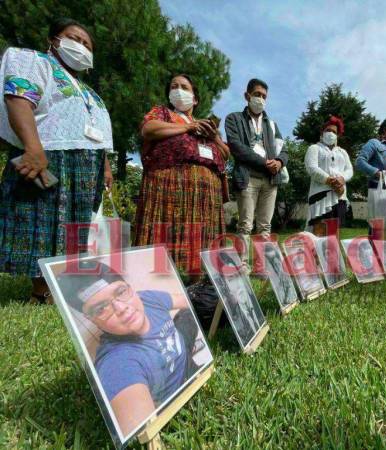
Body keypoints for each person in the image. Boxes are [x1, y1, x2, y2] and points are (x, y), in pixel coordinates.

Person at [0, 18, 113, 303]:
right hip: (48, 153)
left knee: (75, 227)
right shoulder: (33, 61)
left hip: (87, 163)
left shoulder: (89, 92)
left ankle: (66, 284)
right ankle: (42, 291)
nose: (82, 46)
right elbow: (19, 99)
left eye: (87, 44)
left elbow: (98, 132)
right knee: (45, 222)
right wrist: (32, 147)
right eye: (75, 38)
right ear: (54, 40)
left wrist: (106, 166)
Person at [57, 262, 198, 437]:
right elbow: (142, 431)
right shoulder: (117, 362)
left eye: (121, 292)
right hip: (182, 391)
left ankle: (185, 349)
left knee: (188, 314)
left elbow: (185, 300)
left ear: (129, 288)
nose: (122, 309)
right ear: (91, 319)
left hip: (183, 352)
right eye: (101, 308)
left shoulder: (147, 298)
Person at [134, 74, 229, 279]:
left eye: (184, 87)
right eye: (174, 86)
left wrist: (213, 137)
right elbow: (148, 129)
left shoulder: (205, 125)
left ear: (195, 99)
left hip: (205, 193)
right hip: (169, 183)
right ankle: (160, 277)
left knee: (200, 234)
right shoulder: (162, 113)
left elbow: (225, 154)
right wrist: (187, 127)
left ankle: (200, 277)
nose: (178, 90)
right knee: (170, 229)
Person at [225, 78, 288, 259]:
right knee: (245, 224)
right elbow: (237, 147)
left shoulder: (271, 124)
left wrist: (279, 162)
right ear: (247, 96)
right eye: (257, 94)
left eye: (264, 96)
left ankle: (263, 266)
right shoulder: (234, 119)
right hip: (247, 178)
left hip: (270, 180)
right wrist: (264, 162)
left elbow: (283, 150)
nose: (260, 99)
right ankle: (242, 265)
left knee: (265, 225)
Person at [356, 117, 386, 240]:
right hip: (381, 186)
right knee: (378, 225)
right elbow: (360, 161)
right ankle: (374, 256)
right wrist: (375, 172)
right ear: (385, 129)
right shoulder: (374, 143)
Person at [304, 116, 353, 235]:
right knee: (319, 232)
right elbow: (312, 168)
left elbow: (349, 169)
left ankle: (332, 254)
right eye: (328, 130)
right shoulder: (314, 148)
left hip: (339, 195)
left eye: (334, 132)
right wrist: (329, 180)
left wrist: (342, 179)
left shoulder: (343, 152)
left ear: (338, 135)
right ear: (322, 132)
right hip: (320, 194)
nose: (331, 133)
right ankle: (316, 253)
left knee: (333, 234)